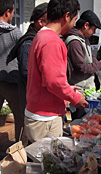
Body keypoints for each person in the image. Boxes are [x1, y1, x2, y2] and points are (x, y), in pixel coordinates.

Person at [24, 0, 88, 143]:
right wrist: (75, 98)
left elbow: (46, 78)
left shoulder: (41, 35)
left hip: (40, 112)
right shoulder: (52, 41)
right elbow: (53, 82)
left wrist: (67, 88)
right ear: (66, 16)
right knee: (46, 162)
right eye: (75, 19)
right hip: (45, 117)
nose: (73, 24)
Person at [64, 10, 101, 120]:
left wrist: (100, 63)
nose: (93, 32)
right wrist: (100, 64)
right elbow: (81, 67)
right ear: (86, 25)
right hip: (79, 91)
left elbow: (93, 60)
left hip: (87, 91)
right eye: (93, 29)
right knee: (80, 123)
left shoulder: (84, 40)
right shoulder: (74, 42)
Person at [7, 2, 48, 128]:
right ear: (41, 22)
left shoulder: (40, 39)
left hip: (36, 99)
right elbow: (27, 73)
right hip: (31, 100)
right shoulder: (29, 42)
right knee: (27, 133)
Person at [0, 0, 23, 143]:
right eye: (13, 11)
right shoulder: (15, 33)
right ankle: (18, 148)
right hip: (12, 81)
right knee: (19, 117)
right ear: (7, 12)